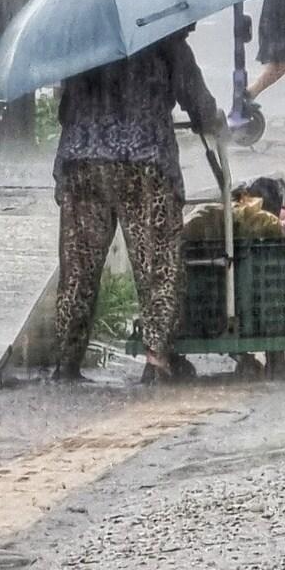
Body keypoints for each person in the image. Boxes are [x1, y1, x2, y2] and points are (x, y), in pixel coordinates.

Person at [52, 28, 222, 382]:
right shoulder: (167, 41)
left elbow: (65, 108)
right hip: (142, 164)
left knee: (78, 266)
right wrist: (214, 120)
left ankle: (66, 361)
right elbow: (200, 105)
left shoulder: (85, 41)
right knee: (157, 263)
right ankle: (157, 359)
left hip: (81, 162)